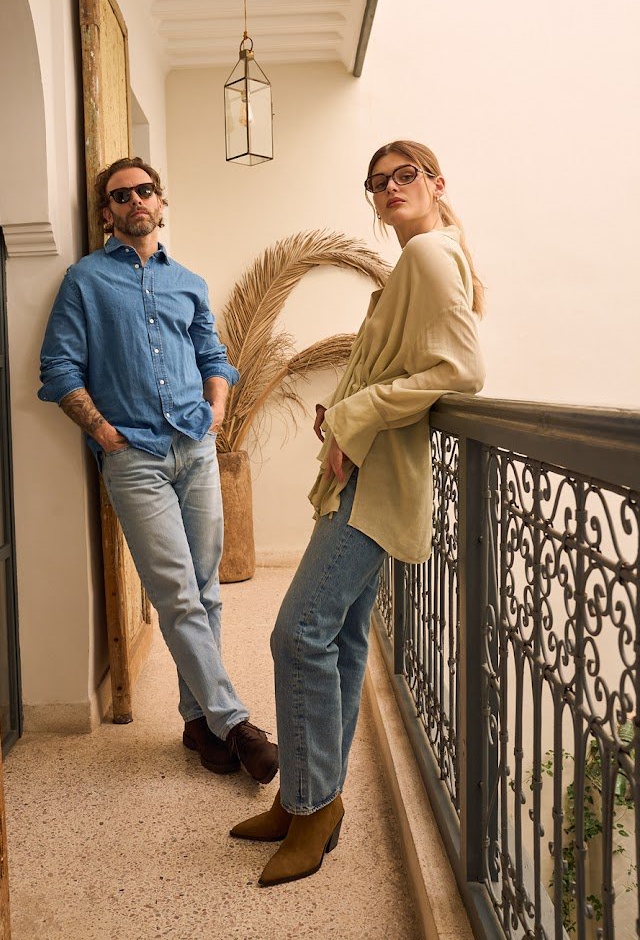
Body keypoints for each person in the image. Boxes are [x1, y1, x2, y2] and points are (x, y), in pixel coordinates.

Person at [230, 140, 485, 885]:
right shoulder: (426, 257)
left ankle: (314, 808)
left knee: (297, 633)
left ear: (437, 182)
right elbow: (404, 368)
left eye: (406, 175)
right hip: (369, 474)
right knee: (337, 640)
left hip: (377, 484)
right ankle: (307, 800)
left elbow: (463, 369)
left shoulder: (428, 255)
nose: (390, 188)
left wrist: (357, 412)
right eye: (378, 183)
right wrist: (344, 413)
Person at [38, 156, 278, 784]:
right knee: (176, 593)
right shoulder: (84, 281)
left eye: (145, 191)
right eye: (122, 196)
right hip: (134, 459)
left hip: (195, 447)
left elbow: (213, 356)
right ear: (107, 213)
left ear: (161, 203)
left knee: (206, 590)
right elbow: (58, 368)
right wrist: (103, 433)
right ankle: (236, 723)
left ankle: (199, 723)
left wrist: (216, 411)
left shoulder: (189, 282)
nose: (136, 201)